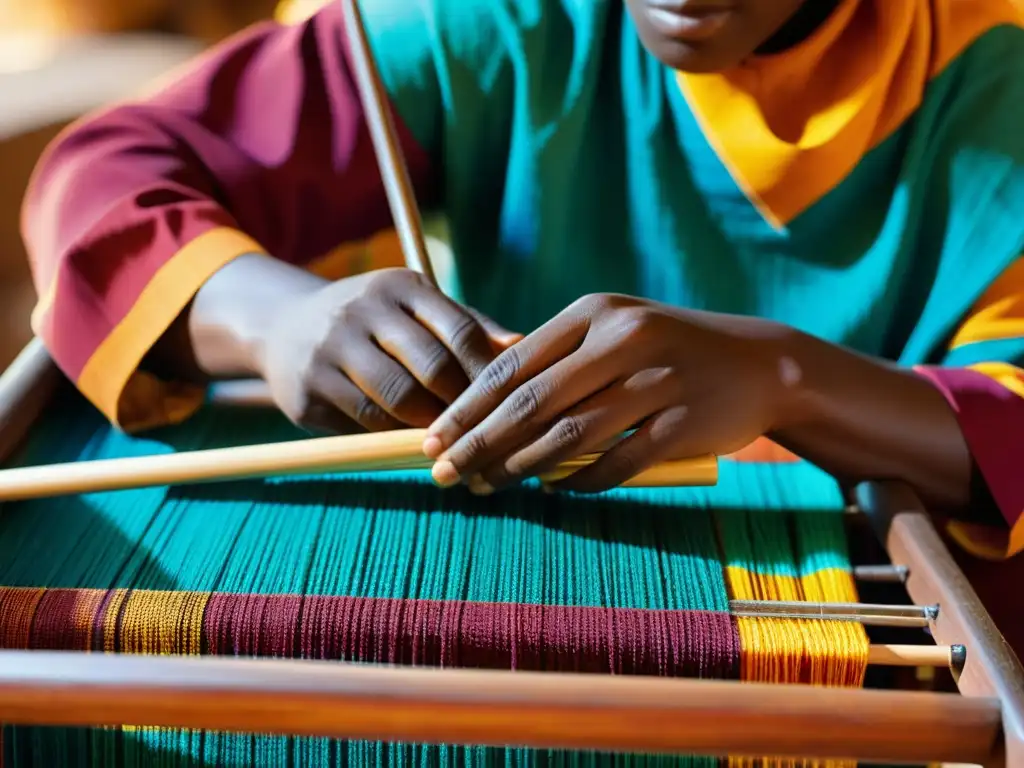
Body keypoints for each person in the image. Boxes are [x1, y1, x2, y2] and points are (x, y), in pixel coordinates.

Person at [20, 0, 1024, 646]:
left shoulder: (994, 82)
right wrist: (268, 315)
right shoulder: (499, 23)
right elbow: (107, 173)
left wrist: (788, 381)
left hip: (846, 650)